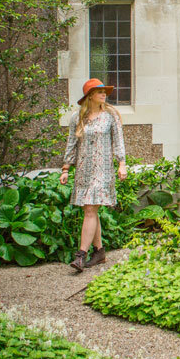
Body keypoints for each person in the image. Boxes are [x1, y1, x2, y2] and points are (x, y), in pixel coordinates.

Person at [60, 78, 127, 272]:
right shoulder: (77, 118)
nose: (104, 94)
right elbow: (71, 143)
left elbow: (118, 141)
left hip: (103, 170)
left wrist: (121, 164)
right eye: (99, 91)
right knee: (90, 210)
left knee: (90, 209)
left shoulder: (110, 116)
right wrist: (66, 168)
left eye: (104, 91)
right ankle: (99, 251)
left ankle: (80, 256)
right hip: (84, 170)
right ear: (90, 96)